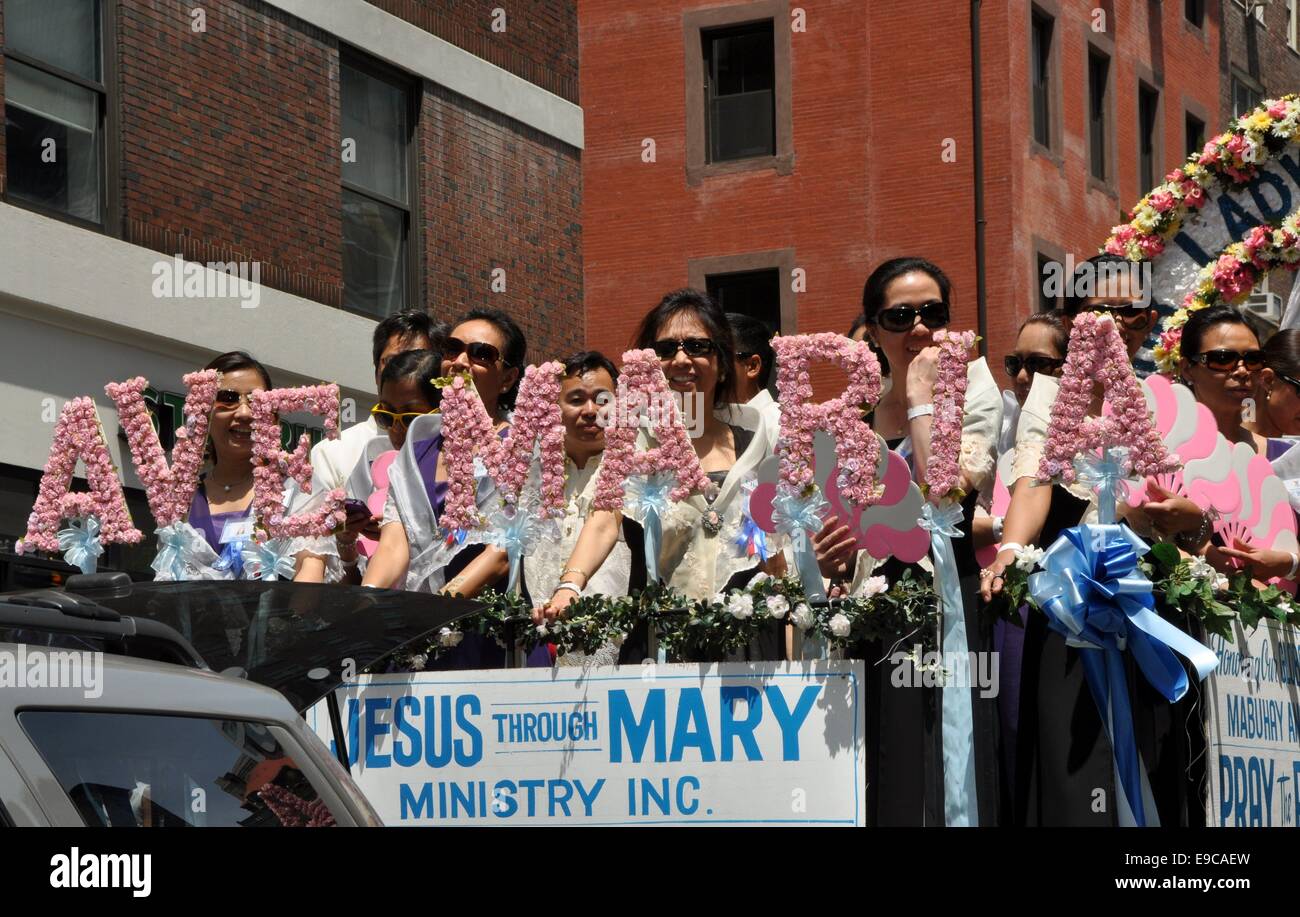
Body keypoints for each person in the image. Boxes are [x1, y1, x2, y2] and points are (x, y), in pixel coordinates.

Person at [981, 255, 1206, 827]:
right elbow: (1033, 481)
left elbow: (1197, 514)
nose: (1108, 323)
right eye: (1092, 310)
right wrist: (1010, 550)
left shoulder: (1171, 401)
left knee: (1158, 760)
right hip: (1070, 608)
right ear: (1074, 319)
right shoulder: (1050, 399)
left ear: (1148, 320)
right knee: (1072, 764)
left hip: (1154, 608)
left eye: (1123, 312)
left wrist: (1183, 520)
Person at [840, 257, 1003, 826]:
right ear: (874, 327)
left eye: (933, 312)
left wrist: (921, 401)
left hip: (942, 590)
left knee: (939, 742)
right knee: (881, 749)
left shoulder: (976, 388)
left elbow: (946, 492)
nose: (919, 327)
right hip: (867, 601)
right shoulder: (854, 412)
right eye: (900, 315)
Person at [538, 289, 782, 627]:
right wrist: (569, 586)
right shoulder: (636, 440)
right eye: (666, 349)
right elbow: (605, 518)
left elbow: (776, 548)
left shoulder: (756, 442)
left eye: (697, 346)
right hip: (662, 639)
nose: (681, 360)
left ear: (723, 363)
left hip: (748, 639)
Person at [293, 310, 436, 582]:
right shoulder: (333, 451)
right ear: (376, 369)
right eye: (393, 360)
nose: (404, 368)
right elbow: (317, 559)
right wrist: (346, 540)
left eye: (417, 358)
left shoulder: (458, 454)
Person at [525, 353, 645, 657]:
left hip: (624, 652)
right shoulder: (530, 474)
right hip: (536, 650)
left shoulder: (639, 468)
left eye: (603, 400)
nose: (591, 411)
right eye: (576, 400)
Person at [184, 351, 274, 577]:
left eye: (256, 401)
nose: (245, 413)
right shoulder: (181, 498)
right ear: (204, 411)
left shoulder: (292, 492)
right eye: (229, 398)